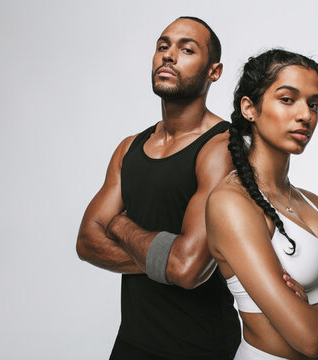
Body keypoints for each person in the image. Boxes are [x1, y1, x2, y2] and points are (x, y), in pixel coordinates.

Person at [76, 17, 242, 360]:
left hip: (201, 349)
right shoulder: (129, 148)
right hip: (131, 344)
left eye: (187, 49)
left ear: (214, 71)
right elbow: (86, 242)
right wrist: (167, 260)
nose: (168, 56)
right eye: (162, 46)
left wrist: (119, 224)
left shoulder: (223, 147)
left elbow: (188, 268)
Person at [206, 49, 318, 360]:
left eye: (314, 104)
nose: (306, 115)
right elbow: (309, 338)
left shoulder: (312, 203)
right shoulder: (231, 204)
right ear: (250, 108)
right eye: (287, 99)